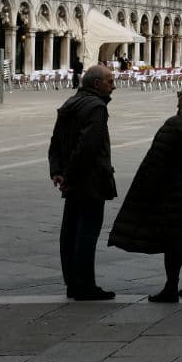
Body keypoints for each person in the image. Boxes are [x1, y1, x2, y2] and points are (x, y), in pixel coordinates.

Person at [108, 81, 182, 303]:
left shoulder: (176, 125)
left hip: (178, 195)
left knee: (175, 242)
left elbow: (155, 162)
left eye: (180, 94)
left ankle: (171, 287)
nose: (177, 98)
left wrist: (142, 190)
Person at [48, 65, 119, 301]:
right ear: (96, 84)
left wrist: (57, 170)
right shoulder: (96, 107)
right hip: (89, 181)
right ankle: (84, 285)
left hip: (74, 179)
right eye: (110, 81)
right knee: (86, 233)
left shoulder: (71, 102)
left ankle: (73, 283)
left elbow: (55, 141)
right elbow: (87, 147)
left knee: (70, 232)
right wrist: (69, 175)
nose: (114, 86)